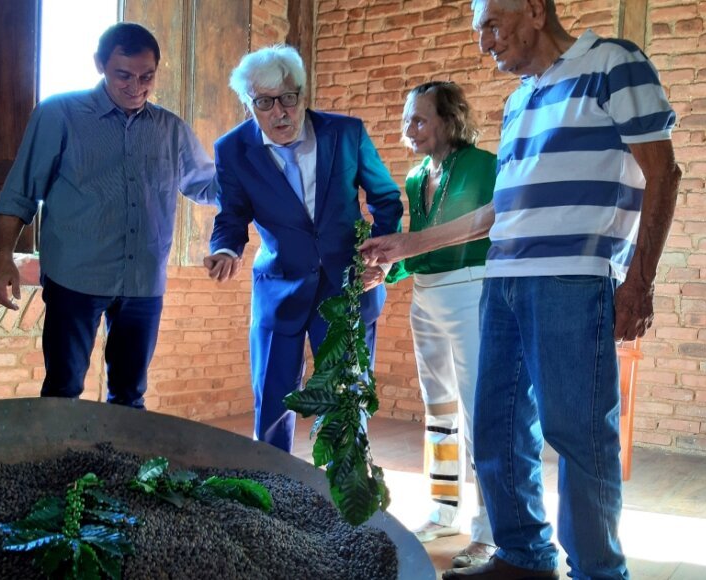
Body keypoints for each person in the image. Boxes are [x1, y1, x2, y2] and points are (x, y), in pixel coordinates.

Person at [361, 1, 681, 578]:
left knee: (578, 434)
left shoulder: (613, 63)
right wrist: (410, 244)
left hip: (572, 278)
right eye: (479, 31)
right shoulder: (518, 101)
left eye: (491, 25)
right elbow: (498, 212)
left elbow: (663, 172)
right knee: (496, 426)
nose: (484, 43)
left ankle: (598, 571)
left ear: (533, 10)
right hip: (502, 280)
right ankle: (524, 556)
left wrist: (640, 283)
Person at [0, 23, 217, 409]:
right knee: (62, 391)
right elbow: (20, 191)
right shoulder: (59, 114)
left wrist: (260, 166)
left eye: (147, 76)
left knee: (130, 396)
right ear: (100, 64)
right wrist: (3, 260)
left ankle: (119, 454)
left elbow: (208, 186)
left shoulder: (172, 130)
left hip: (143, 282)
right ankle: (61, 452)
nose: (136, 87)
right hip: (74, 279)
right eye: (123, 75)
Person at [203, 44, 403, 453]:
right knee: (272, 402)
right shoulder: (232, 149)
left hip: (348, 289)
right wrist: (225, 249)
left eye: (288, 98)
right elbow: (232, 214)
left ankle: (344, 483)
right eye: (264, 102)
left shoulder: (345, 134)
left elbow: (385, 198)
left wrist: (381, 256)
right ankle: (271, 483)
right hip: (279, 289)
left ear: (303, 93)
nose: (280, 112)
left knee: (346, 401)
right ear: (248, 104)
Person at [389, 81, 497, 569]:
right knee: (439, 406)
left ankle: (490, 528)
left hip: (471, 291)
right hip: (425, 296)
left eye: (419, 119)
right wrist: (387, 270)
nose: (409, 129)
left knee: (479, 409)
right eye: (406, 119)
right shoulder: (416, 177)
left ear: (449, 121)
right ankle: (443, 509)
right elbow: (420, 245)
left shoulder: (484, 165)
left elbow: (488, 227)